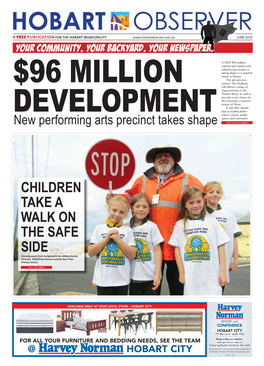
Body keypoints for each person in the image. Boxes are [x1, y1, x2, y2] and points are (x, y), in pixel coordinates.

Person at [106, 144, 203, 295]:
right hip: (149, 246)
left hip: (176, 244)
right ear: (153, 162)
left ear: (173, 160)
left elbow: (205, 199)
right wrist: (115, 199)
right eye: (159, 156)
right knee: (151, 290)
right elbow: (128, 197)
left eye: (167, 155)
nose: (163, 158)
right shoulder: (143, 180)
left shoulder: (188, 179)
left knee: (178, 289)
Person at [168, 186, 229, 296]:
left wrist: (223, 271)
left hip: (212, 276)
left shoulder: (212, 222)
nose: (195, 205)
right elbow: (177, 249)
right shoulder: (180, 225)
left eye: (198, 201)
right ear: (185, 205)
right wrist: (181, 273)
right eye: (191, 202)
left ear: (203, 201)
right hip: (191, 278)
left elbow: (221, 247)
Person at [88, 196, 136, 295]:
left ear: (126, 214)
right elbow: (91, 252)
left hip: (121, 280)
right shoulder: (99, 228)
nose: (117, 214)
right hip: (103, 280)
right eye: (114, 210)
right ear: (109, 209)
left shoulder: (128, 230)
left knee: (119, 309)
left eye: (122, 212)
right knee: (104, 309)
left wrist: (118, 240)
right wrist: (106, 239)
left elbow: (132, 255)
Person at [204, 181, 242, 291]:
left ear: (222, 195)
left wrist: (236, 260)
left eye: (218, 192)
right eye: (211, 192)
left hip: (222, 263)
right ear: (205, 195)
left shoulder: (228, 214)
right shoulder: (201, 213)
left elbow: (233, 237)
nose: (215, 194)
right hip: (206, 259)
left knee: (219, 290)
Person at [124, 193, 163, 295]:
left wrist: (157, 274)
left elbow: (157, 250)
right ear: (132, 208)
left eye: (144, 207)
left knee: (151, 306)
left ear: (149, 209)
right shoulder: (126, 227)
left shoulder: (152, 227)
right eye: (137, 206)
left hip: (150, 275)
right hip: (132, 275)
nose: (141, 209)